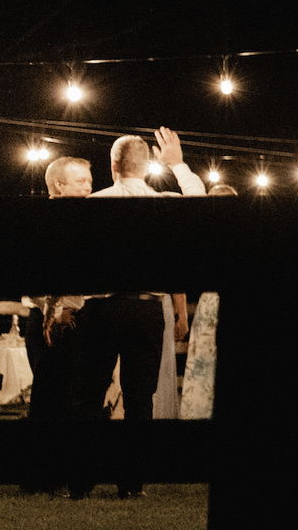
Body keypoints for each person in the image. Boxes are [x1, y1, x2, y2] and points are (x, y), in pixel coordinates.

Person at [78, 128, 205, 498]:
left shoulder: (94, 202)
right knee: (140, 397)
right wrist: (178, 165)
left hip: (102, 307)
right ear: (148, 165)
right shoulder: (164, 202)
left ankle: (82, 481)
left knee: (89, 394)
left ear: (112, 165)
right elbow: (199, 201)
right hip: (148, 309)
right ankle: (132, 483)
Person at [21, 154, 97, 495]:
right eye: (80, 180)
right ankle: (41, 475)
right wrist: (54, 309)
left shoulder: (87, 220)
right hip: (46, 316)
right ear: (58, 185)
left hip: (77, 313)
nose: (88, 185)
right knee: (47, 393)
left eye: (89, 179)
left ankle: (62, 472)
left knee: (71, 394)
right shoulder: (39, 220)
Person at [177, 182, 238, 421]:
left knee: (206, 362)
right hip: (216, 301)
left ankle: (201, 413)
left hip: (212, 302)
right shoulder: (234, 235)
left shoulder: (202, 234)